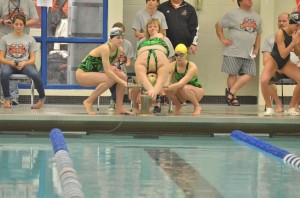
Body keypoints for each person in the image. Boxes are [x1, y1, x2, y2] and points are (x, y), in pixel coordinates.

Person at [75, 27, 133, 115]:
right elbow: (108, 71)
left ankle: (119, 107)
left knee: (123, 75)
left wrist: (122, 78)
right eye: (118, 38)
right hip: (82, 75)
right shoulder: (105, 48)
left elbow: (109, 67)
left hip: (93, 74)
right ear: (110, 39)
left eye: (122, 38)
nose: (120, 40)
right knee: (111, 79)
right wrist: (123, 83)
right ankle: (88, 101)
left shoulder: (119, 50)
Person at [215, 0, 261, 106]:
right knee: (233, 74)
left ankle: (231, 92)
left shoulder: (257, 17)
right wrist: (222, 39)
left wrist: (257, 48)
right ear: (240, 2)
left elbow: (258, 34)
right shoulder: (232, 14)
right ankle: (233, 97)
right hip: (233, 51)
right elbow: (218, 25)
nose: (250, 0)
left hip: (248, 52)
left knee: (251, 73)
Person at [0, 13, 45, 109]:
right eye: (16, 24)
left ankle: (42, 99)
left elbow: (33, 59)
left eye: (21, 24)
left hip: (25, 64)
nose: (18, 26)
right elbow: (1, 58)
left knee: (35, 74)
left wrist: (24, 63)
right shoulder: (5, 39)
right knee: (3, 73)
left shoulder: (30, 39)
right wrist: (10, 63)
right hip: (9, 64)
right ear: (13, 24)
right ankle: (7, 98)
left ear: (24, 25)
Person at [260, 11, 300, 116]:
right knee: (264, 80)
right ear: (291, 23)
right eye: (296, 25)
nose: (298, 28)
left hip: (286, 63)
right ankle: (269, 107)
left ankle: (292, 106)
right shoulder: (280, 33)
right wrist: (292, 42)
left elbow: (297, 53)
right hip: (274, 60)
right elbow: (282, 54)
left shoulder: (296, 34)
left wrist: (296, 43)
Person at [132, 18, 174, 114]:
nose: (152, 28)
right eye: (150, 27)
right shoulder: (142, 40)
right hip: (144, 58)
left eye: (155, 26)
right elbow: (137, 56)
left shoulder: (165, 39)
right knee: (139, 69)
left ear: (159, 28)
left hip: (160, 58)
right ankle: (152, 90)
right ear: (147, 29)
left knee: (164, 70)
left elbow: (170, 58)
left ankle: (155, 92)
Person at [164, 44, 204, 115]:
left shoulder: (192, 66)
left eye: (181, 55)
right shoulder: (172, 65)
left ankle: (197, 106)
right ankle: (178, 105)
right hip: (182, 91)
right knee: (167, 89)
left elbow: (181, 84)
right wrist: (162, 88)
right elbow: (167, 82)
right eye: (176, 55)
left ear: (186, 55)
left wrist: (164, 88)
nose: (178, 57)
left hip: (196, 91)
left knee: (184, 87)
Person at [108, 22, 134, 111]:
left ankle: (113, 100)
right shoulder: (106, 45)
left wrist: (121, 68)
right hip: (110, 69)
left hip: (123, 69)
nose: (119, 37)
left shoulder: (128, 44)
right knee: (111, 77)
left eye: (121, 33)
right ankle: (117, 100)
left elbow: (129, 62)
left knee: (121, 76)